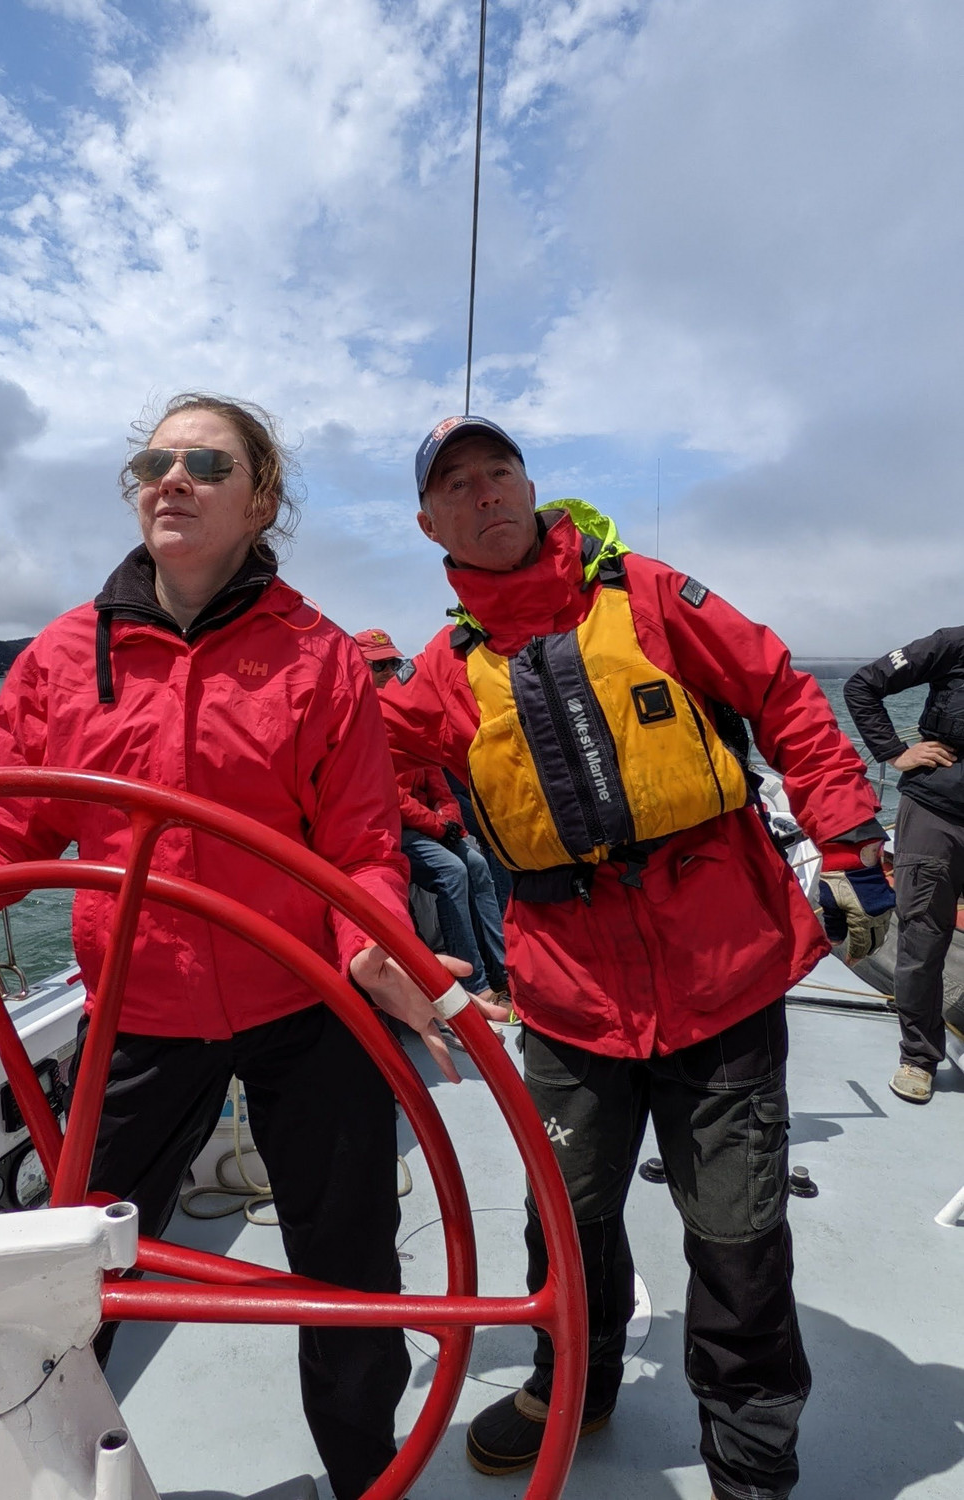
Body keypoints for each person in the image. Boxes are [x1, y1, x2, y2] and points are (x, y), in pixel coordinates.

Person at [0, 393, 499, 1500]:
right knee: (62, 1284)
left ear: (261, 501)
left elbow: (357, 846)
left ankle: (365, 1477)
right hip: (137, 1017)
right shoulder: (64, 657)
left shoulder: (320, 657)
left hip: (307, 1006)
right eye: (154, 463)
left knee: (350, 1273)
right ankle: (43, 1475)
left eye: (207, 462)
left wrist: (371, 945)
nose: (172, 479)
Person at [376, 414, 887, 1500]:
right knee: (565, 1214)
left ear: (531, 487)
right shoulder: (437, 675)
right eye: (457, 485)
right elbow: (337, 773)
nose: (485, 493)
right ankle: (572, 1381)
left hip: (722, 973)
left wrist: (848, 841)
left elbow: (783, 694)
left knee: (739, 1234)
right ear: (429, 525)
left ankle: (751, 1462)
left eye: (499, 471)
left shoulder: (650, 595)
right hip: (567, 996)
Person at [355, 628, 508, 1003]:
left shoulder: (406, 716)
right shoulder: (358, 723)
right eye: (379, 665)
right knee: (453, 871)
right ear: (359, 669)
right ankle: (473, 984)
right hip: (394, 830)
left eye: (393, 663)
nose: (389, 671)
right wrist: (440, 826)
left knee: (478, 863)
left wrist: (449, 819)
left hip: (427, 826)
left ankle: (505, 970)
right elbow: (389, 796)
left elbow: (439, 781)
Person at [845, 628, 964, 1104]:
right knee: (923, 938)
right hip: (937, 812)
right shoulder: (953, 644)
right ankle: (919, 1057)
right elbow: (862, 685)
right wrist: (895, 752)